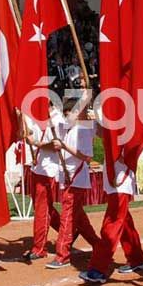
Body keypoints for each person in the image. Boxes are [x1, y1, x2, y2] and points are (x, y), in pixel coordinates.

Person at [79, 120, 143, 283]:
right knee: (124, 222)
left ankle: (98, 268)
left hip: (121, 180)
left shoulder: (130, 126)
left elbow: (135, 146)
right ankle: (137, 258)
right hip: (113, 178)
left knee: (112, 223)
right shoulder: (114, 125)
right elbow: (101, 134)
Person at [46, 99, 100, 269]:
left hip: (77, 178)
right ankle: (98, 245)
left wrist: (64, 146)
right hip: (67, 177)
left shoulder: (82, 130)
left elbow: (86, 157)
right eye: (67, 112)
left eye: (72, 112)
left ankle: (62, 255)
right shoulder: (67, 129)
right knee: (79, 218)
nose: (69, 115)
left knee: (67, 217)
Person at [24, 113, 63, 261]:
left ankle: (39, 248)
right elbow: (27, 133)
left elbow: (56, 145)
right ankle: (68, 230)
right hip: (37, 167)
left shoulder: (57, 119)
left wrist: (35, 143)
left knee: (42, 210)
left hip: (49, 170)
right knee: (43, 208)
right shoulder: (35, 116)